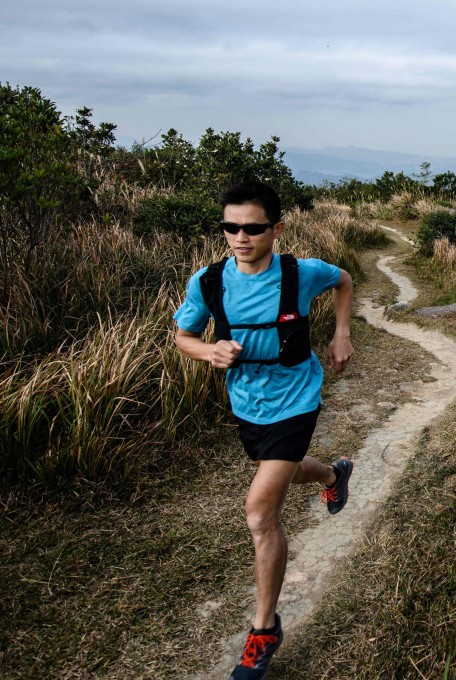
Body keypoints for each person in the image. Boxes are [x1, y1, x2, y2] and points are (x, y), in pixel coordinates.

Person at [173, 180, 355, 680]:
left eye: (253, 227)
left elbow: (344, 281)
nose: (240, 237)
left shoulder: (301, 273)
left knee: (259, 513)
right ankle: (333, 476)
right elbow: (183, 336)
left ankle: (264, 629)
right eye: (231, 226)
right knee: (282, 471)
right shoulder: (208, 282)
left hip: (297, 398)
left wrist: (341, 333)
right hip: (247, 403)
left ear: (276, 228)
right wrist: (209, 351)